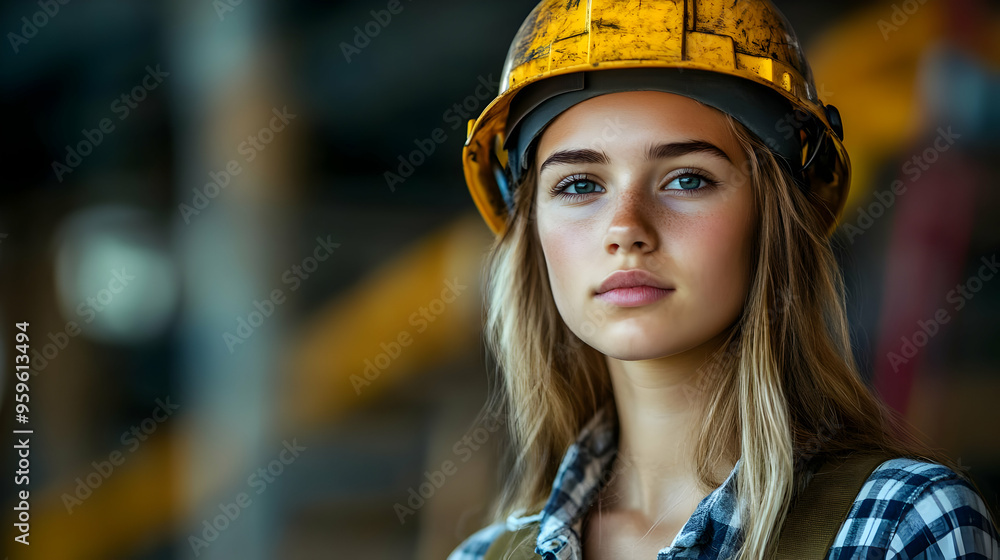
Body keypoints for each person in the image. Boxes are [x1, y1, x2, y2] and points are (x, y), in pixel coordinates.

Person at [449, 1, 1000, 558]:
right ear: (534, 232)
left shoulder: (899, 524)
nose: (625, 229)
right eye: (578, 185)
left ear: (773, 218)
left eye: (687, 179)